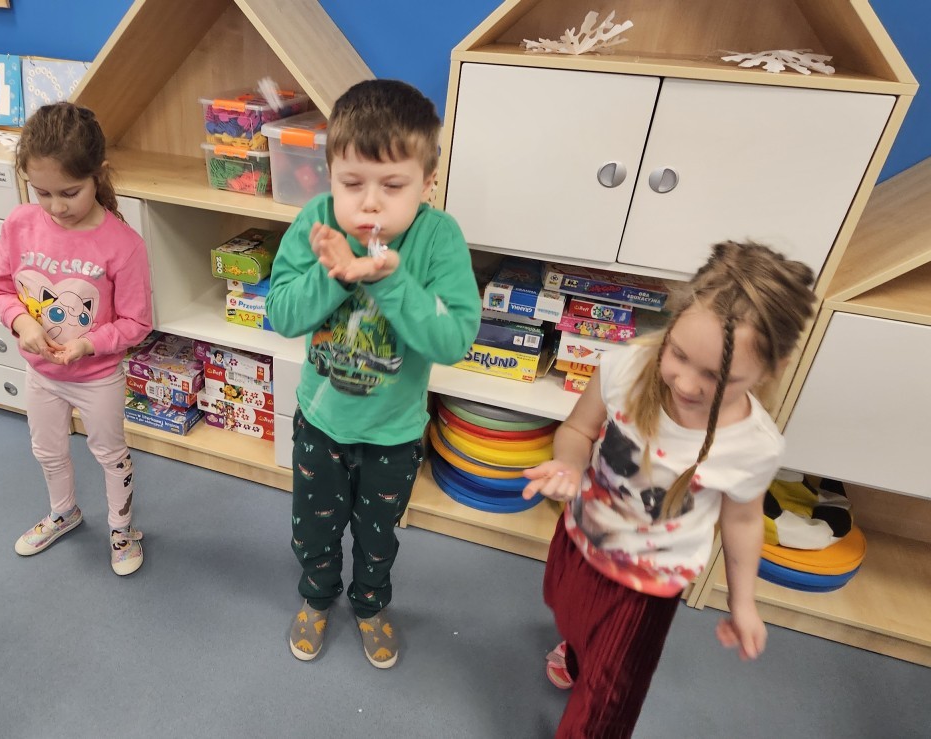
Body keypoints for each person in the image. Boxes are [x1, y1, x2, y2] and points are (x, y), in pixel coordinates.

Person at [522, 242, 815, 736]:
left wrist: (743, 602)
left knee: (608, 699)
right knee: (567, 612)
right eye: (678, 354)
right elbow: (577, 430)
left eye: (717, 376)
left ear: (773, 368)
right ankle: (576, 649)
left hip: (647, 583)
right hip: (581, 538)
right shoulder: (625, 367)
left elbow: (743, 520)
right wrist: (568, 466)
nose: (687, 384)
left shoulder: (752, 446)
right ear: (673, 322)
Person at [264, 79, 481, 668]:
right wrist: (333, 273)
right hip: (321, 423)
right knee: (313, 529)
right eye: (352, 183)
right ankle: (317, 597)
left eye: (393, 185)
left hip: (393, 434)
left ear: (427, 182)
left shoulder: (438, 238)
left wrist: (387, 279)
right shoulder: (317, 222)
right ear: (329, 175)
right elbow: (281, 313)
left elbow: (454, 339)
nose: (370, 204)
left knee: (378, 537)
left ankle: (369, 604)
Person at [0, 102, 153, 573]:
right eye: (41, 192)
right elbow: (1, 289)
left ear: (97, 176)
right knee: (47, 450)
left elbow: (137, 322)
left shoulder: (123, 245)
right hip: (41, 373)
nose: (56, 207)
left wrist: (88, 344)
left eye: (69, 192)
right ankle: (64, 512)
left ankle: (122, 529)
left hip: (97, 377)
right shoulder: (20, 224)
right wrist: (23, 323)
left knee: (110, 454)